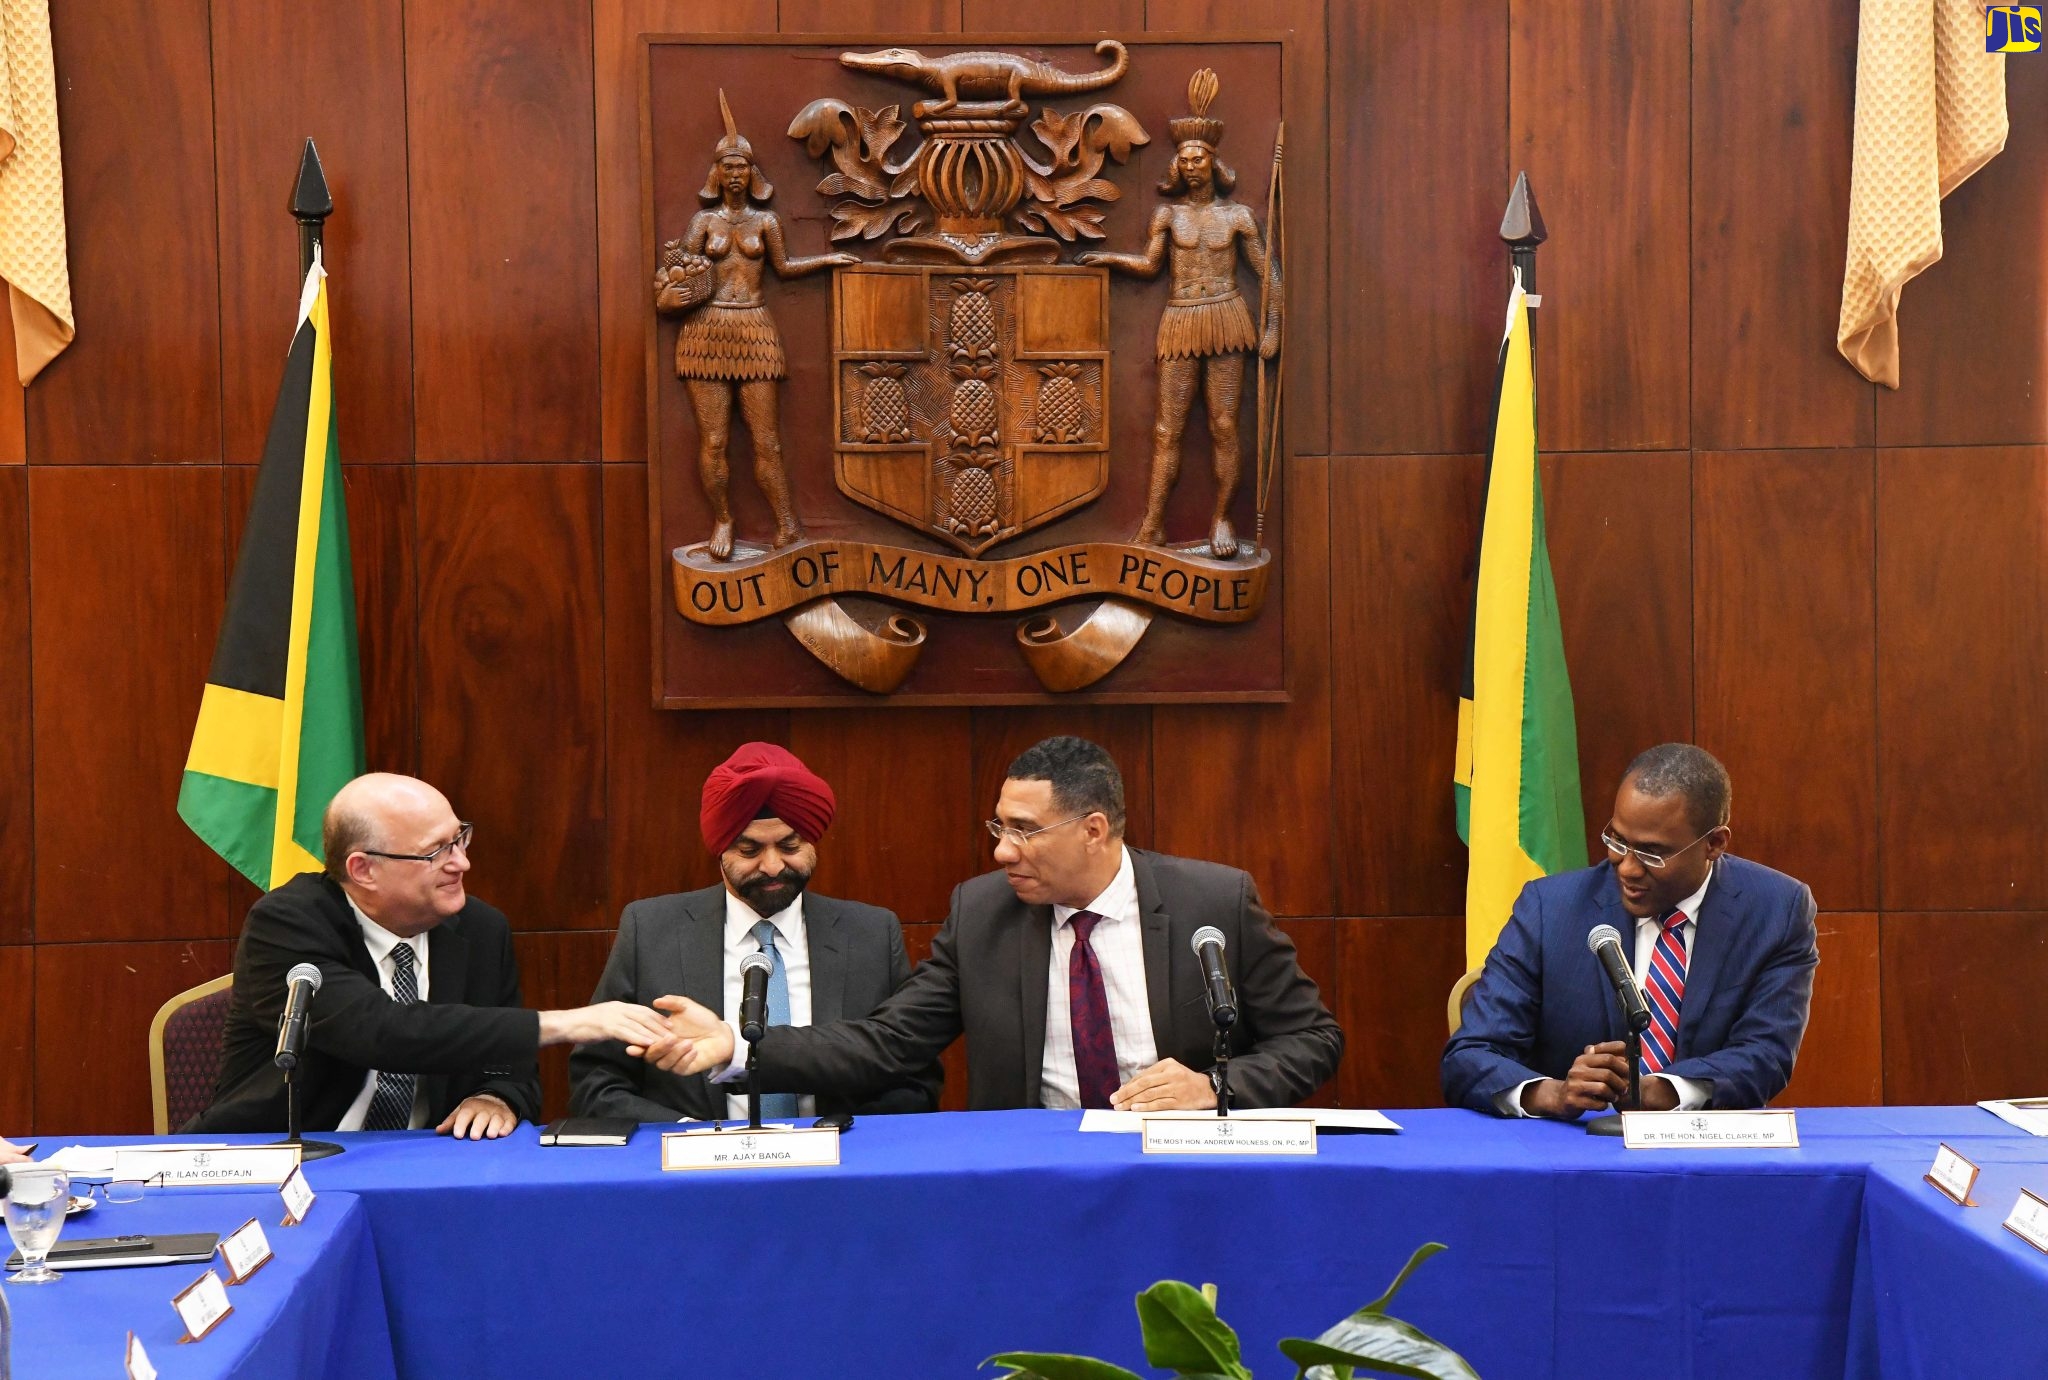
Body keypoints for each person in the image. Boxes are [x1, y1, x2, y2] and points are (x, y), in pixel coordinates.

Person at [635, 736, 1343, 1112]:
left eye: (1024, 831)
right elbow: (886, 1045)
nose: (1001, 850)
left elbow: (1314, 1039)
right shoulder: (983, 915)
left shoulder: (1213, 905)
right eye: (998, 827)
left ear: (1094, 830)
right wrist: (737, 1046)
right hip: (1035, 1176)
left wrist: (1214, 1087)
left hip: (1183, 1164)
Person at [189, 774, 670, 1139]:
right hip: (285, 1160)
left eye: (459, 838)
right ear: (364, 869)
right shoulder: (288, 925)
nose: (461, 862)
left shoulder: (480, 930)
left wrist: (495, 1096)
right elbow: (381, 1030)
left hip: (425, 1162)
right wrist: (567, 1024)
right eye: (435, 852)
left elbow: (511, 1067)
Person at [1442, 744, 1818, 1118]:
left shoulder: (1776, 910)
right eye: (1618, 841)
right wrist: (1552, 1094)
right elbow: (1472, 1054)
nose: (1627, 869)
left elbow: (1767, 1054)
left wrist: (1666, 1090)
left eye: (1652, 853)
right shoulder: (1549, 909)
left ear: (1714, 844)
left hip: (1707, 1152)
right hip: (1572, 1153)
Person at [569, 743, 940, 1122]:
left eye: (790, 845)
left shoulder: (871, 934)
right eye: (749, 850)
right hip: (695, 1172)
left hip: (838, 1167)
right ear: (720, 850)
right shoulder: (650, 930)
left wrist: (838, 1137)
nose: (774, 865)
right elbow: (596, 1082)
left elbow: (914, 1078)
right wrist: (688, 1138)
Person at [1080, 69, 1279, 558]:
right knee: (1168, 428)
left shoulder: (1237, 217)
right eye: (1185, 160)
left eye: (1199, 159)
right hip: (1182, 319)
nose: (1192, 166)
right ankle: (1153, 524)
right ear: (1178, 166)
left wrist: (1273, 327)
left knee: (1224, 425)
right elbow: (1151, 266)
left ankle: (1221, 518)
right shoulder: (1168, 215)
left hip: (1228, 319)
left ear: (1213, 163)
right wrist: (1109, 258)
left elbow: (1269, 274)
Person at [656, 90, 856, 561]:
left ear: (752, 172)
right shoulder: (702, 222)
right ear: (716, 173)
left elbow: (784, 269)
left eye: (741, 166)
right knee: (716, 439)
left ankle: (787, 524)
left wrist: (827, 259)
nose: (735, 174)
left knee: (766, 440)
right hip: (706, 332)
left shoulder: (766, 223)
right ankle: (723, 517)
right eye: (727, 166)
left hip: (753, 329)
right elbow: (676, 276)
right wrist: (670, 291)